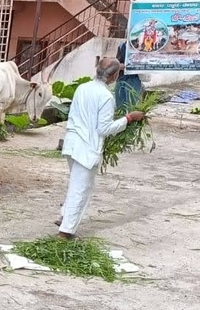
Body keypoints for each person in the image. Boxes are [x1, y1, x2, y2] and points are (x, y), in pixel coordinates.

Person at [56, 57, 146, 239]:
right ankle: (65, 231)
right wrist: (128, 118)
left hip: (72, 143)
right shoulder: (105, 97)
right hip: (87, 147)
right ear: (113, 76)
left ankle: (65, 215)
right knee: (81, 189)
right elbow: (104, 128)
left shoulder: (82, 88)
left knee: (76, 183)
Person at [115, 42, 143, 111]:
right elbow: (117, 62)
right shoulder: (122, 46)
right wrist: (119, 66)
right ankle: (121, 121)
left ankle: (133, 121)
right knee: (120, 106)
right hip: (121, 78)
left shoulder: (141, 46)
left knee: (132, 106)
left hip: (134, 79)